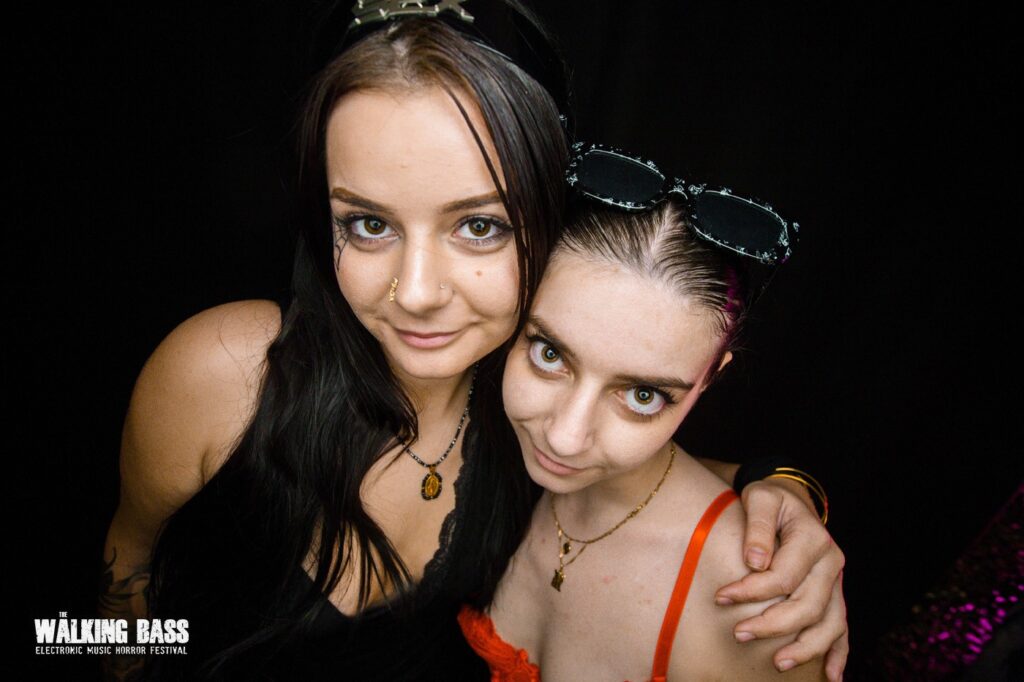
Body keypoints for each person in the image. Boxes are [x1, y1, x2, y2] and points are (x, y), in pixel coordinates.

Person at [98, 3, 846, 680]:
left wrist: (780, 489)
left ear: (543, 225)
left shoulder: (533, 407)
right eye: (369, 223)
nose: (418, 292)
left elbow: (639, 460)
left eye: (479, 226)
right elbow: (123, 573)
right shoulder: (224, 371)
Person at [459, 143, 838, 681]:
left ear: (711, 379)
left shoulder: (754, 602)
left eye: (642, 395)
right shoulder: (474, 436)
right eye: (549, 355)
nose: (565, 437)